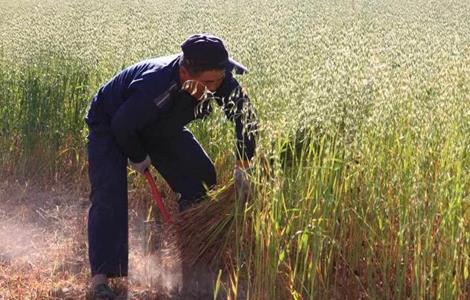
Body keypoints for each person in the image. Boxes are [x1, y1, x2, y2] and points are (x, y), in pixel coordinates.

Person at [85, 33, 257, 299]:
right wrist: (138, 156)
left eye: (221, 77)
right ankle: (100, 280)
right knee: (109, 194)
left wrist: (244, 164)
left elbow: (245, 117)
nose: (217, 86)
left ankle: (196, 270)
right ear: (186, 73)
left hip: (159, 125)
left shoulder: (218, 78)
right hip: (111, 121)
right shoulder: (156, 85)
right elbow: (122, 124)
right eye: (210, 82)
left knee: (202, 177)